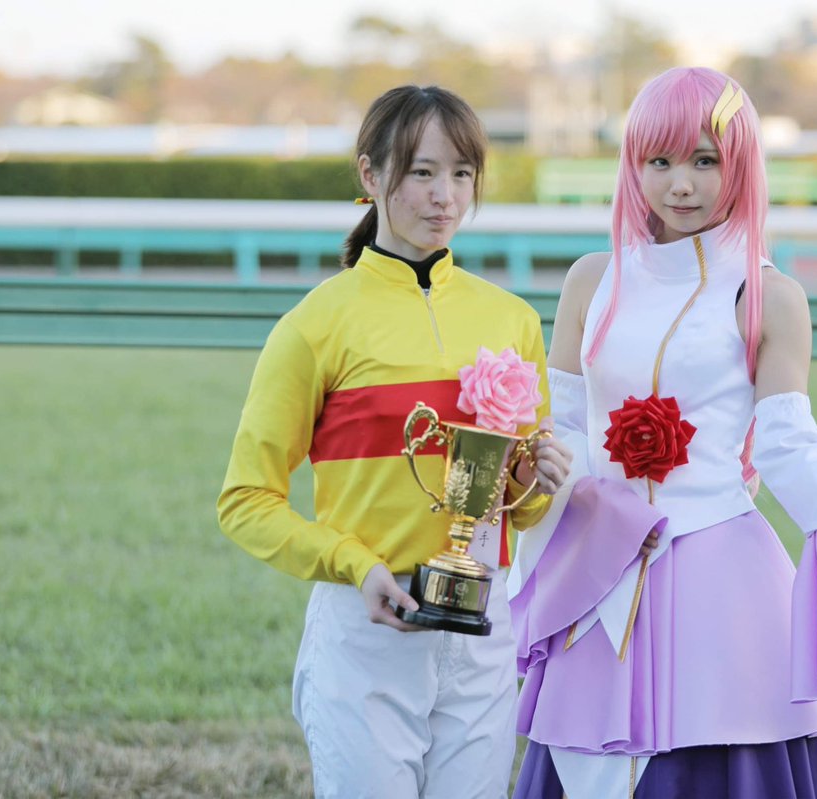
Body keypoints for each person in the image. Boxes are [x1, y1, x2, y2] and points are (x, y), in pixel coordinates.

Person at [507, 67, 817, 799]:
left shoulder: (769, 296)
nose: (681, 184)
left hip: (721, 584)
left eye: (705, 160)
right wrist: (530, 462)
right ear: (632, 164)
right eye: (660, 160)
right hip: (595, 575)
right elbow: (561, 425)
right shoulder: (590, 281)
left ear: (741, 164)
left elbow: (791, 450)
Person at [217, 85, 571, 799]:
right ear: (370, 174)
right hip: (366, 631)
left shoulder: (511, 319)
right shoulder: (315, 324)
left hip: (482, 628)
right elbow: (245, 501)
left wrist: (534, 481)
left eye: (462, 174)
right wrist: (355, 566)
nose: (446, 196)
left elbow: (518, 508)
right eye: (422, 172)